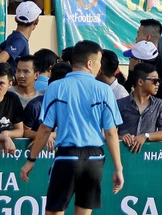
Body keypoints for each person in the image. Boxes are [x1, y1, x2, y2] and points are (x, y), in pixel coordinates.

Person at [19, 41, 124, 214]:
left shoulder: (56, 87)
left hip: (67, 157)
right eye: (99, 61)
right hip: (95, 159)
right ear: (89, 63)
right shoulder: (105, 90)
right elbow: (111, 133)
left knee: (54, 211)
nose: (100, 67)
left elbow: (45, 129)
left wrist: (31, 160)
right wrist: (118, 168)